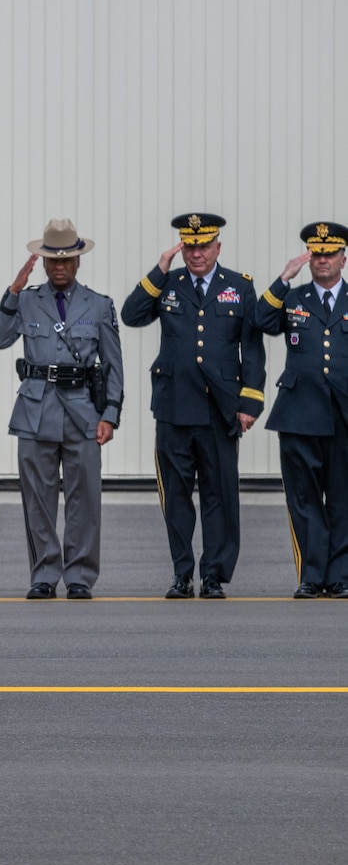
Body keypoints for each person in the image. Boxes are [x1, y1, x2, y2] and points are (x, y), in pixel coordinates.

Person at [121, 213, 266, 599]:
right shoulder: (167, 284)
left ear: (218, 246)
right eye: (189, 246)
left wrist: (250, 401)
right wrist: (159, 268)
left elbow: (251, 349)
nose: (196, 253)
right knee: (177, 496)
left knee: (220, 494)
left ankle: (214, 574)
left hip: (220, 410)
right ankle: (182, 573)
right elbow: (131, 315)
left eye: (203, 246)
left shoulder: (238, 286)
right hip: (173, 407)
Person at [0, 219, 124, 600]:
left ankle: (79, 576)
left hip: (83, 413)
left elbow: (113, 365)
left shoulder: (99, 305)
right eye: (53, 260)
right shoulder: (27, 298)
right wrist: (12, 291)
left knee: (85, 500)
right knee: (38, 500)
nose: (59, 266)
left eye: (66, 260)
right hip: (35, 412)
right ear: (44, 261)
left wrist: (110, 414)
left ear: (78, 261)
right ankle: (44, 574)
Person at [251, 222, 348, 598]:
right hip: (299, 413)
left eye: (329, 253)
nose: (322, 260)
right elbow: (259, 321)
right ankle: (311, 575)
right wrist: (282, 279)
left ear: (343, 257)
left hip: (342, 416)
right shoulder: (293, 297)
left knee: (342, 499)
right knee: (304, 499)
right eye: (316, 254)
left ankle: (340, 575)